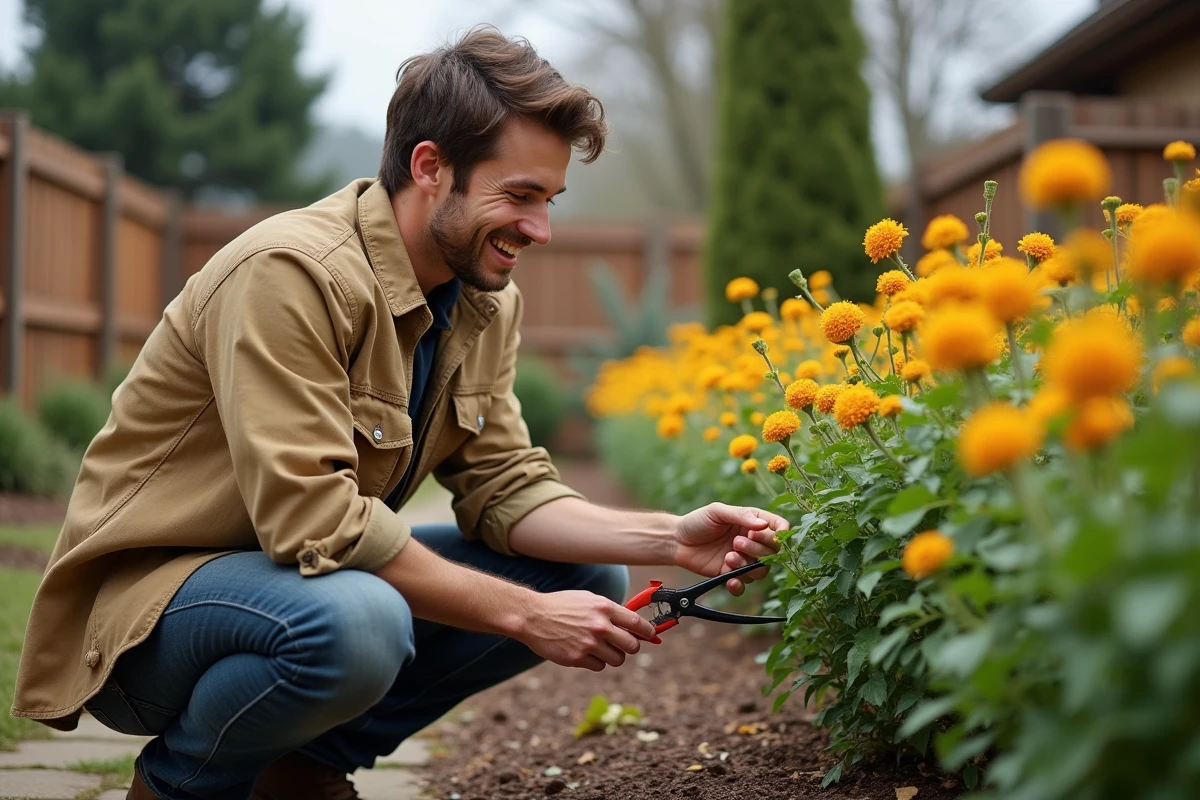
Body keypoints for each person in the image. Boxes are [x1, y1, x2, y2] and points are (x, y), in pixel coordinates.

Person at [11, 26, 787, 800]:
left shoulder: (483, 301)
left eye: (548, 201)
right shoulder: (291, 274)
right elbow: (314, 518)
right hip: (148, 620)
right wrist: (525, 616)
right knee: (362, 623)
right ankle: (183, 785)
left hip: (290, 588)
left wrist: (667, 536)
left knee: (588, 573)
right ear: (429, 167)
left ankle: (300, 769)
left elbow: (505, 486)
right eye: (517, 196)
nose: (540, 230)